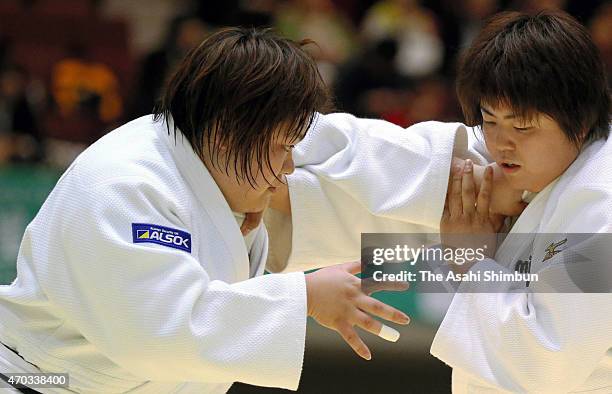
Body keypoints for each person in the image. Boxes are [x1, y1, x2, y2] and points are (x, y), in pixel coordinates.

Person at [0, 28, 411, 393]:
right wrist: (304, 295)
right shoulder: (125, 185)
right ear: (228, 131)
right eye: (282, 147)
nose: (288, 169)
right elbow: (162, 331)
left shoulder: (208, 175)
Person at [266, 9, 611, 393]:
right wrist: (287, 139)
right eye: (490, 120)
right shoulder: (538, 157)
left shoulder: (602, 208)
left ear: (580, 121)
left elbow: (548, 363)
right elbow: (397, 160)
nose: (502, 143)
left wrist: (471, 260)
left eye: (522, 127)